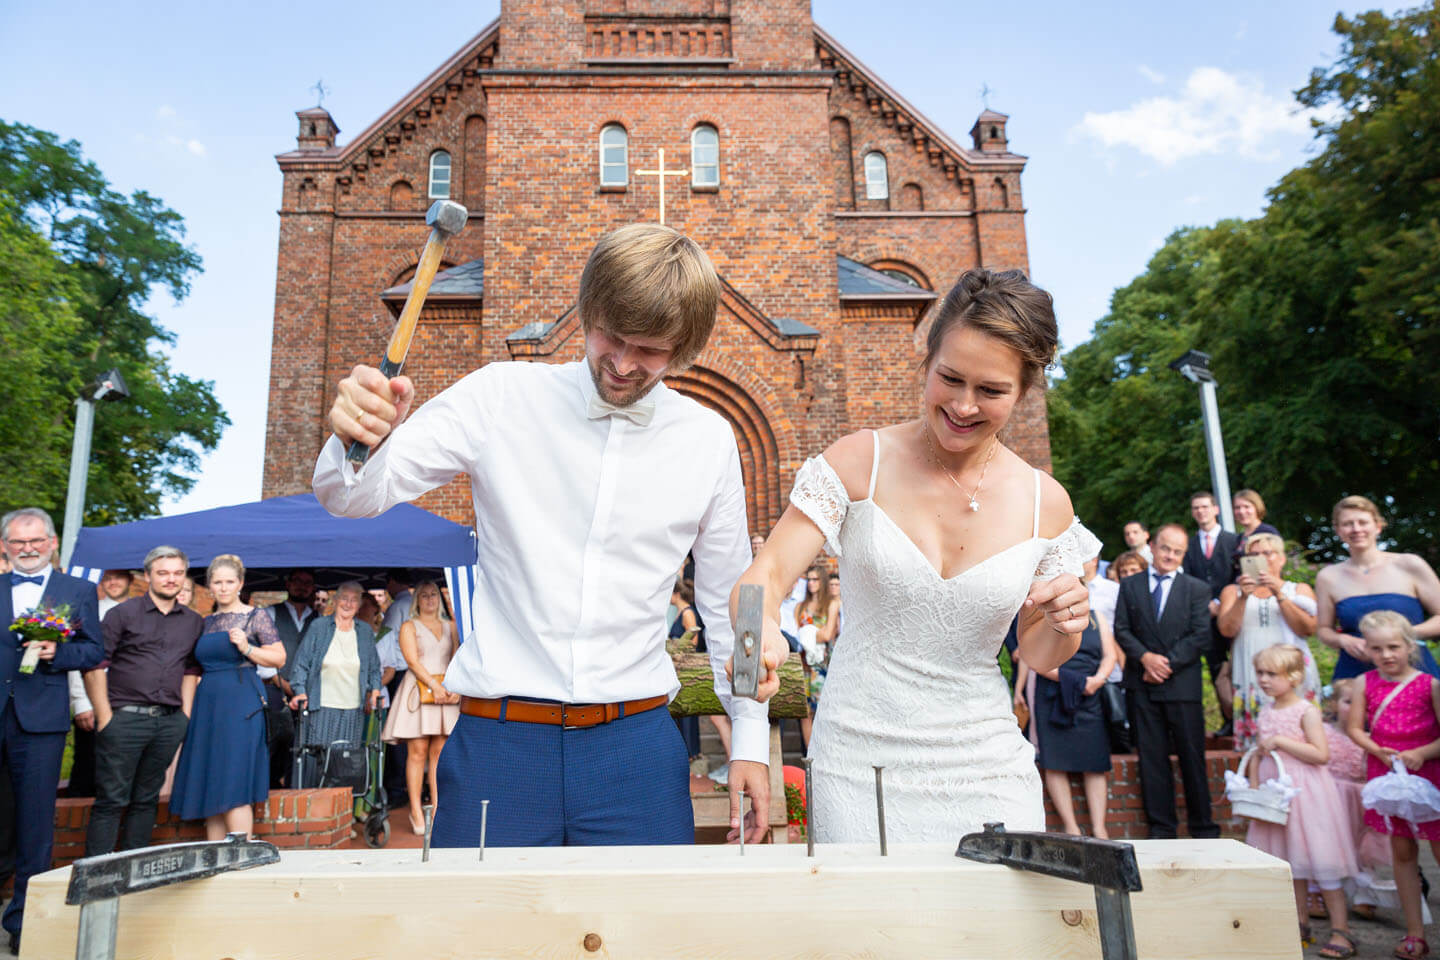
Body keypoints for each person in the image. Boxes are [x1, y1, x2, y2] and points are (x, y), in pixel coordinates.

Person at [313, 224, 779, 846]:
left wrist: (750, 738)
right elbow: (350, 496)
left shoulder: (710, 440)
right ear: (588, 309)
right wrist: (360, 433)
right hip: (498, 746)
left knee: (646, 942)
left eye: (649, 351)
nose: (620, 363)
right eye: (609, 336)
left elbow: (737, 602)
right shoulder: (501, 396)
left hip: (636, 752)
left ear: (686, 347)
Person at [736, 267, 1095, 842]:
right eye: (949, 378)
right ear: (926, 361)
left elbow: (1042, 651)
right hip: (859, 762)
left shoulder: (1044, 503)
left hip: (987, 766)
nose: (963, 405)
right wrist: (762, 641)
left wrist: (1066, 620)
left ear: (1025, 392)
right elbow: (765, 575)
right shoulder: (859, 462)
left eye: (992, 391)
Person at [0, 508, 103, 952]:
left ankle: (25, 923)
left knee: (36, 825)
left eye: (35, 541)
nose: (27, 549)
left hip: (40, 723)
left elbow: (93, 651)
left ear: (53, 542)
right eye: (18, 542)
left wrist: (55, 653)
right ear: (5, 545)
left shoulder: (77, 591)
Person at [83, 545, 203, 856]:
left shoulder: (192, 621)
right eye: (163, 573)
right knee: (111, 799)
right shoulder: (121, 614)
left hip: (169, 722)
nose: (170, 579)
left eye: (177, 573)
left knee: (146, 799)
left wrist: (184, 716)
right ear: (147, 576)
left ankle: (132, 870)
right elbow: (95, 665)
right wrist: (105, 717)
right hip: (124, 719)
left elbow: (191, 668)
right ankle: (98, 879)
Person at [1243, 644, 1357, 958]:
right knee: (1289, 863)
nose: (1264, 680)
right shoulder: (1266, 710)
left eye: (1271, 674)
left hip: (1306, 795)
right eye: (1260, 673)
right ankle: (1299, 923)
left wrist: (1281, 741)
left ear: (1293, 677)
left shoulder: (1306, 711)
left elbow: (1321, 755)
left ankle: (1341, 930)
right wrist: (1253, 786)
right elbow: (1258, 752)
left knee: (1321, 862)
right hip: (1275, 797)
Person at [1343, 611, 1440, 960]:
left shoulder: (1429, 685)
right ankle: (1415, 932)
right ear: (1367, 649)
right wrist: (1377, 751)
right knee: (1402, 852)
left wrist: (1421, 753)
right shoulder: (1364, 683)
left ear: (1409, 645)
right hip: (1387, 772)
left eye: (1394, 647)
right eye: (1377, 648)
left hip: (1429, 773)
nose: (1386, 655)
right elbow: (1355, 728)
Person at [1113, 523, 1218, 839]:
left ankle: (1203, 827)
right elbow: (1121, 629)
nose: (1170, 555)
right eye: (1165, 548)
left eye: (1177, 551)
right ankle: (1161, 828)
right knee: (1151, 760)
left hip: (1181, 686)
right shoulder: (1129, 585)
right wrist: (1145, 658)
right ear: (1153, 547)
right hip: (1142, 685)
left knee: (1192, 758)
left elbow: (1201, 635)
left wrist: (1165, 663)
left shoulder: (1197, 589)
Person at [169, 555, 285, 839]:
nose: (223, 587)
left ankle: (241, 854)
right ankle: (217, 859)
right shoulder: (204, 622)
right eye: (217, 582)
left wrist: (247, 648)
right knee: (213, 782)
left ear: (240, 584)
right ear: (209, 585)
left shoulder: (255, 617)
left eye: (229, 582)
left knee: (234, 781)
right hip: (207, 705)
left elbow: (279, 658)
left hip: (241, 704)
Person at [1317, 495, 1440, 681]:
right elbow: (1324, 629)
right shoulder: (1328, 577)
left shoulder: (1410, 564)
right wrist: (1342, 640)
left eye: (1363, 522)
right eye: (1348, 524)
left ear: (1378, 526)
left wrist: (1401, 635)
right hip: (1356, 673)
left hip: (1413, 669)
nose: (1356, 529)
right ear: (1338, 530)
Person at [1218, 533, 1320, 750]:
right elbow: (1227, 630)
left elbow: (1308, 629)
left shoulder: (1299, 590)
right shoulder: (1232, 591)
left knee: (1299, 737)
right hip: (1250, 669)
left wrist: (1279, 593)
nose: (1261, 559)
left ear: (1281, 558)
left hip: (1289, 668)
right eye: (1254, 555)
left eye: (1267, 553)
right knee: (1257, 744)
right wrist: (1244, 597)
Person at [1031, 606, 1119, 838]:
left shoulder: (1095, 616)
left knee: (1096, 762)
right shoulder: (1042, 617)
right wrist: (1074, 681)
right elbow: (1035, 659)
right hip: (1054, 693)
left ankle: (1100, 829)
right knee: (1055, 761)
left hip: (1091, 693)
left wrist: (1096, 680)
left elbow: (1110, 655)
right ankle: (1071, 828)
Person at [381, 580, 459, 834]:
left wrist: (453, 687)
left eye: (433, 595)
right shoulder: (408, 626)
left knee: (439, 753)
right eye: (424, 595)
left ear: (440, 598)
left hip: (445, 692)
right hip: (419, 689)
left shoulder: (451, 626)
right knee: (417, 752)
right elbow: (412, 661)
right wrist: (433, 686)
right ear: (417, 600)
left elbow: (458, 659)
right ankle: (416, 810)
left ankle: (437, 810)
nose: (429, 599)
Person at [1323, 679, 1400, 923]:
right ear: (1334, 704)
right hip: (1333, 796)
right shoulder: (1325, 733)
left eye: (1362, 703)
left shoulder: (1370, 738)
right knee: (1330, 843)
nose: (1356, 707)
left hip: (1361, 798)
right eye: (1348, 702)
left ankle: (1364, 896)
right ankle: (1321, 890)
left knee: (1363, 846)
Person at [288, 581, 382, 779]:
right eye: (344, 599)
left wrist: (375, 691)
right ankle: (311, 807)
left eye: (354, 600)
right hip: (320, 707)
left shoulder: (364, 631)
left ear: (359, 605)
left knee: (344, 764)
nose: (348, 604)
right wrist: (300, 691)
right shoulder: (319, 626)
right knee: (315, 762)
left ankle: (340, 808)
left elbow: (374, 668)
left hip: (352, 710)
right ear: (335, 600)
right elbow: (301, 664)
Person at [63, 570, 131, 799]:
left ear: (130, 579)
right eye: (108, 578)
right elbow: (78, 658)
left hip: (127, 700)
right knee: (87, 764)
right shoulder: (90, 610)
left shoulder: (138, 611)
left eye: (118, 577)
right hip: (92, 699)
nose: (113, 582)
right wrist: (81, 702)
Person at [1184, 491, 1240, 736]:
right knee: (1217, 668)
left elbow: (1238, 575)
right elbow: (1187, 578)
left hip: (1232, 613)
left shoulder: (1233, 540)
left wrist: (1222, 601)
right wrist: (1205, 603)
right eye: (1196, 508)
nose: (1200, 511)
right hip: (1205, 618)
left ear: (1215, 509)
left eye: (1205, 507)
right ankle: (1228, 719)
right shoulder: (1189, 545)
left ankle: (1245, 716)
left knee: (1239, 665)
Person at [263, 569, 318, 788]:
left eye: (307, 583)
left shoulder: (319, 620)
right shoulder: (270, 613)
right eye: (297, 581)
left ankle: (295, 792)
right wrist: (286, 687)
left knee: (302, 745)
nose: (302, 586)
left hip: (307, 693)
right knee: (275, 743)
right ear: (287, 584)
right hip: (276, 689)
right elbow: (263, 656)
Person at [795, 565, 838, 749]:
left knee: (823, 710)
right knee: (805, 712)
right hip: (804, 663)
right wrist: (811, 634)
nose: (811, 583)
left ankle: (824, 752)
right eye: (809, 579)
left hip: (823, 664)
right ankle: (810, 755)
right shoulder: (800, 606)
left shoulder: (831, 604)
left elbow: (828, 634)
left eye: (815, 579)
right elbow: (798, 634)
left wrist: (808, 633)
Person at [1230, 489, 1281, 574]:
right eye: (1237, 507)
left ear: (1257, 507)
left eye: (1247, 507)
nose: (1241, 511)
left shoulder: (1267, 532)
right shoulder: (1239, 538)